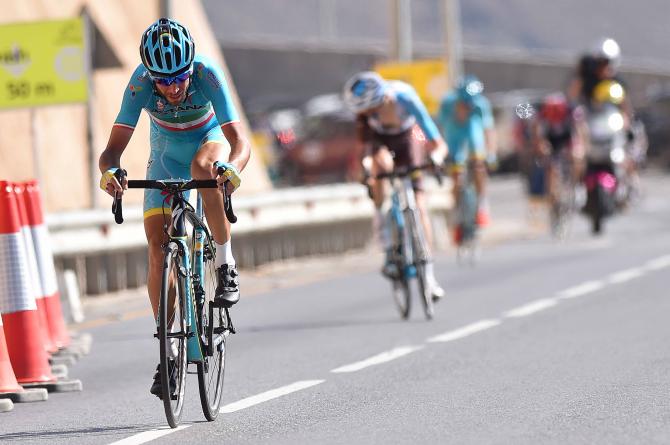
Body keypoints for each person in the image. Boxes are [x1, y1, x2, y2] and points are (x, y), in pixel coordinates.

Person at [98, 18, 251, 397]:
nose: (173, 87)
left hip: (208, 141)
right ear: (151, 76)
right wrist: (111, 173)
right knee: (156, 246)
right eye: (162, 81)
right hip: (165, 157)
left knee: (203, 168)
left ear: (191, 68)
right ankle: (167, 351)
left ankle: (225, 263)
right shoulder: (140, 84)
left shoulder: (208, 75)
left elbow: (239, 141)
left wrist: (233, 168)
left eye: (179, 77)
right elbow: (111, 152)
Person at [343, 71, 448, 300]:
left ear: (385, 99)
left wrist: (437, 158)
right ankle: (386, 236)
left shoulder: (405, 97)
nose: (371, 114)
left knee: (420, 208)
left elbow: (436, 140)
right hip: (381, 142)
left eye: (374, 109)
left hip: (408, 136)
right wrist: (366, 172)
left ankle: (429, 276)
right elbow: (363, 151)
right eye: (366, 112)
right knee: (380, 166)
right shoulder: (365, 114)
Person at [437, 75, 497, 235]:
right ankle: (456, 211)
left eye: (470, 106)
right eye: (464, 105)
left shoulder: (480, 105)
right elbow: (439, 130)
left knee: (478, 166)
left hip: (473, 137)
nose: (467, 109)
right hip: (454, 139)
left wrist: (491, 153)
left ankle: (482, 204)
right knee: (457, 176)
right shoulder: (447, 104)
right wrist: (439, 152)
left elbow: (488, 130)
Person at [531, 93, 587, 207]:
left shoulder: (570, 111)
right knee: (550, 166)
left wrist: (578, 147)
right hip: (552, 139)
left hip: (568, 138)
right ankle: (551, 195)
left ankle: (577, 185)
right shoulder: (543, 112)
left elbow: (579, 130)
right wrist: (541, 145)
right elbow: (537, 131)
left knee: (577, 157)